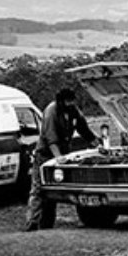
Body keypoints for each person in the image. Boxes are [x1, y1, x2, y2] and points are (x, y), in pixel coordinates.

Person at [26, 88, 96, 232]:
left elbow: (84, 129)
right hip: (45, 155)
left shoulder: (73, 110)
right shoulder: (51, 111)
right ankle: (32, 223)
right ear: (61, 101)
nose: (71, 104)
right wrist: (58, 158)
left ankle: (47, 225)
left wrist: (97, 144)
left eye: (72, 101)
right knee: (39, 190)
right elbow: (50, 138)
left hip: (63, 154)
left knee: (53, 190)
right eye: (68, 101)